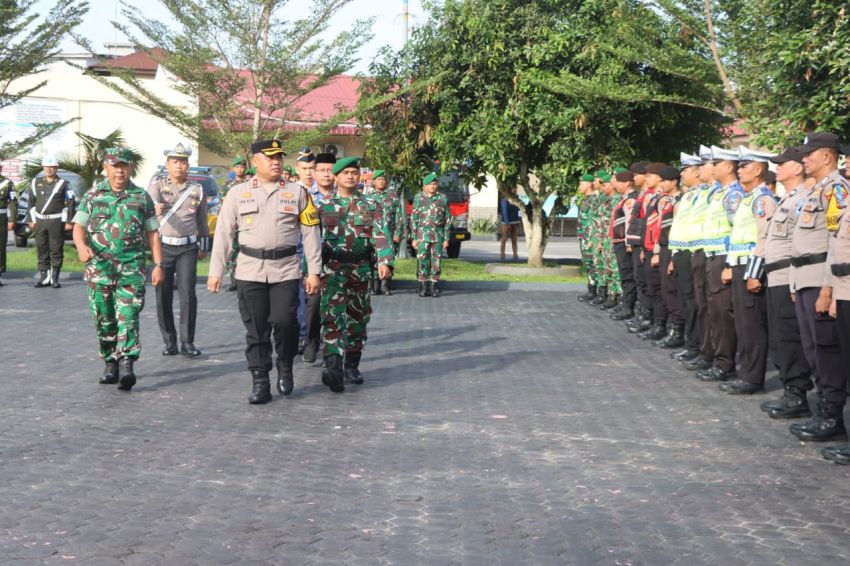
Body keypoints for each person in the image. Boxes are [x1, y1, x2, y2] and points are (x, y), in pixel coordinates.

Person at [208, 139, 322, 404]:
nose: (276, 162)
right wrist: (216, 271)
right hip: (250, 270)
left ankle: (285, 364)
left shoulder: (297, 193)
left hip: (285, 270)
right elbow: (224, 232)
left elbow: (311, 233)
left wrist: (314, 270)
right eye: (270, 158)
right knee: (256, 330)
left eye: (279, 157)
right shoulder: (238, 193)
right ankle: (260, 380)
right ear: (255, 161)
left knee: (285, 322)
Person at [72, 148, 164, 390]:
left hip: (131, 270)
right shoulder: (93, 196)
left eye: (123, 165)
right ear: (106, 167)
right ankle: (110, 362)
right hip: (98, 271)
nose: (119, 170)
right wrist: (81, 246)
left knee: (129, 317)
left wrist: (158, 265)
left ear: (130, 168)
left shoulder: (141, 197)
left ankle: (126, 363)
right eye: (114, 165)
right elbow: (78, 227)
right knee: (104, 319)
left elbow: (152, 233)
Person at [786, 132, 847, 441]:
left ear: (827, 156)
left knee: (826, 350)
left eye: (810, 154)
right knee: (813, 348)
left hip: (821, 281)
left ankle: (832, 414)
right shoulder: (816, 191)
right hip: (805, 279)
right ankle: (823, 409)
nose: (804, 159)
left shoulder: (835, 190)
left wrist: (828, 289)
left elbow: (837, 243)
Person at [318, 156, 392, 391]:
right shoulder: (323, 206)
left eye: (354, 172)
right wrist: (310, 271)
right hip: (332, 270)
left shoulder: (371, 205)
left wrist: (385, 260)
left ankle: (351, 365)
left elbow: (381, 234)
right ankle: (333, 366)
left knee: (357, 319)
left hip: (360, 270)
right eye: (346, 172)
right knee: (332, 317)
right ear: (336, 177)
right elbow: (312, 241)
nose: (351, 176)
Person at [760, 146, 813, 418]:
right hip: (775, 276)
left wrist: (794, 281)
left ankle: (797, 394)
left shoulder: (803, 198)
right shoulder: (787, 198)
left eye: (782, 164)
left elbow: (801, 243)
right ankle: (790, 389)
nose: (777, 168)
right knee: (780, 337)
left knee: (789, 337)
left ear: (797, 168)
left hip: (787, 276)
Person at [719, 147, 777, 394]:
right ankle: (746, 373)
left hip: (752, 267)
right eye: (739, 166)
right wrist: (731, 265)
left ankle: (753, 378)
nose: (739, 170)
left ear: (758, 169)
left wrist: (754, 272)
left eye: (744, 166)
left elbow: (763, 239)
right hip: (740, 264)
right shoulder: (748, 198)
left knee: (752, 325)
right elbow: (738, 235)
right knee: (743, 324)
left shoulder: (763, 200)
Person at [147, 142, 209, 358]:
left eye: (183, 162)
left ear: (188, 165)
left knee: (187, 294)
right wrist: (155, 205)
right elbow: (151, 200)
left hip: (187, 248)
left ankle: (187, 342)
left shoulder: (197, 189)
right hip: (162, 247)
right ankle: (169, 341)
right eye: (175, 162)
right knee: (162, 295)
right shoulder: (157, 184)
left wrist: (204, 246)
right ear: (167, 164)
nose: (179, 166)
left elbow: (202, 220)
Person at [695, 146, 743, 382]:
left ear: (728, 166)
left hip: (724, 258)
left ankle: (725, 364)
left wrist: (730, 264)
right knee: (713, 310)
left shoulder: (734, 195)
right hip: (712, 256)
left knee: (723, 313)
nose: (711, 168)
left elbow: (738, 230)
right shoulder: (719, 193)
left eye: (716, 164)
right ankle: (717, 358)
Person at [302, 153, 338, 364]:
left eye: (330, 170)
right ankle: (312, 340)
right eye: (321, 170)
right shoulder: (303, 196)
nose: (326, 174)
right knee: (313, 303)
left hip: (338, 259)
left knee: (335, 304)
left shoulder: (342, 196)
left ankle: (331, 347)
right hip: (312, 259)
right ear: (314, 173)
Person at [667, 153, 703, 360]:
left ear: (697, 171)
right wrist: (674, 255)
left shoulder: (701, 196)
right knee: (686, 300)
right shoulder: (688, 196)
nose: (682, 173)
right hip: (682, 252)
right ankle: (692, 344)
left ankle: (695, 345)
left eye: (686, 170)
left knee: (693, 302)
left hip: (694, 253)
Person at [26, 155, 75, 288]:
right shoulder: (36, 182)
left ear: (56, 168)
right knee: (42, 248)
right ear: (43, 168)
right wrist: (30, 219)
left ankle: (54, 278)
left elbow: (71, 203)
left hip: (56, 221)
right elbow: (31, 202)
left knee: (56, 248)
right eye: (47, 167)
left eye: (52, 167)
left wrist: (70, 221)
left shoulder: (64, 184)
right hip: (40, 221)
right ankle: (44, 277)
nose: (49, 169)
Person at [652, 166, 685, 348]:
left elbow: (676, 231)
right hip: (663, 248)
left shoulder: (679, 201)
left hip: (672, 249)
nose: (662, 184)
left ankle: (678, 331)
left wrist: (672, 256)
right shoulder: (668, 201)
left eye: (665, 181)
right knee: (666, 290)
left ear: (674, 182)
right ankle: (672, 328)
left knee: (672, 291)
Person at [411, 172, 450, 297]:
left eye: (435, 184)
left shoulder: (442, 198)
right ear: (424, 186)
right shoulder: (418, 198)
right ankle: (423, 285)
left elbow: (448, 219)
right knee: (422, 259)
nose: (433, 186)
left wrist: (446, 238)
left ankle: (434, 285)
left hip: (437, 234)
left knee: (436, 260)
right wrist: (414, 238)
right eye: (430, 184)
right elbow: (414, 218)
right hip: (422, 234)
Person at [366, 169, 403, 294]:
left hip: (390, 233)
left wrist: (398, 233)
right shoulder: (369, 197)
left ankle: (385, 284)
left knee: (387, 257)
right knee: (374, 257)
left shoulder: (393, 196)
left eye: (383, 180)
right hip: (374, 233)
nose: (381, 182)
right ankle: (375, 284)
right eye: (378, 180)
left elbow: (399, 215)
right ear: (374, 182)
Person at [610, 170, 639, 320]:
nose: (616, 185)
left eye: (619, 182)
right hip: (619, 242)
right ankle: (626, 304)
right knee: (624, 275)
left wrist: (628, 242)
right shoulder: (624, 198)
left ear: (627, 183)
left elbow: (630, 222)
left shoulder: (631, 200)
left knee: (628, 276)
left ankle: (629, 308)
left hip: (624, 243)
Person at [223, 156, 250, 291]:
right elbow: (224, 206)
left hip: (247, 224)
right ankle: (234, 281)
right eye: (237, 167)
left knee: (247, 251)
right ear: (234, 169)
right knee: (232, 252)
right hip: (233, 224)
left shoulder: (251, 183)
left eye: (242, 167)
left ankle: (245, 280)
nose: (240, 169)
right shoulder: (228, 185)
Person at [576, 174, 599, 302]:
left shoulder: (593, 200)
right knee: (588, 263)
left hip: (590, 238)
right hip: (584, 237)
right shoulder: (586, 199)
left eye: (582, 183)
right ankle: (591, 289)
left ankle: (594, 290)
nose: (580, 186)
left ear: (590, 184)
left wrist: (591, 239)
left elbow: (594, 221)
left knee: (592, 264)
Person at [0, 165, 17, 287]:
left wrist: (12, 219)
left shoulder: (7, 184)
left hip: (1, 217)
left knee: (0, 246)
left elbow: (13, 202)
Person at [499, 189, 521, 261]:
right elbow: (504, 211)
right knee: (504, 239)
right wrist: (507, 223)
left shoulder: (516, 199)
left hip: (515, 221)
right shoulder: (504, 199)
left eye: (516, 188)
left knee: (514, 239)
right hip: (506, 222)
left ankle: (515, 254)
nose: (515, 190)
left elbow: (519, 209)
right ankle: (502, 254)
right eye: (513, 188)